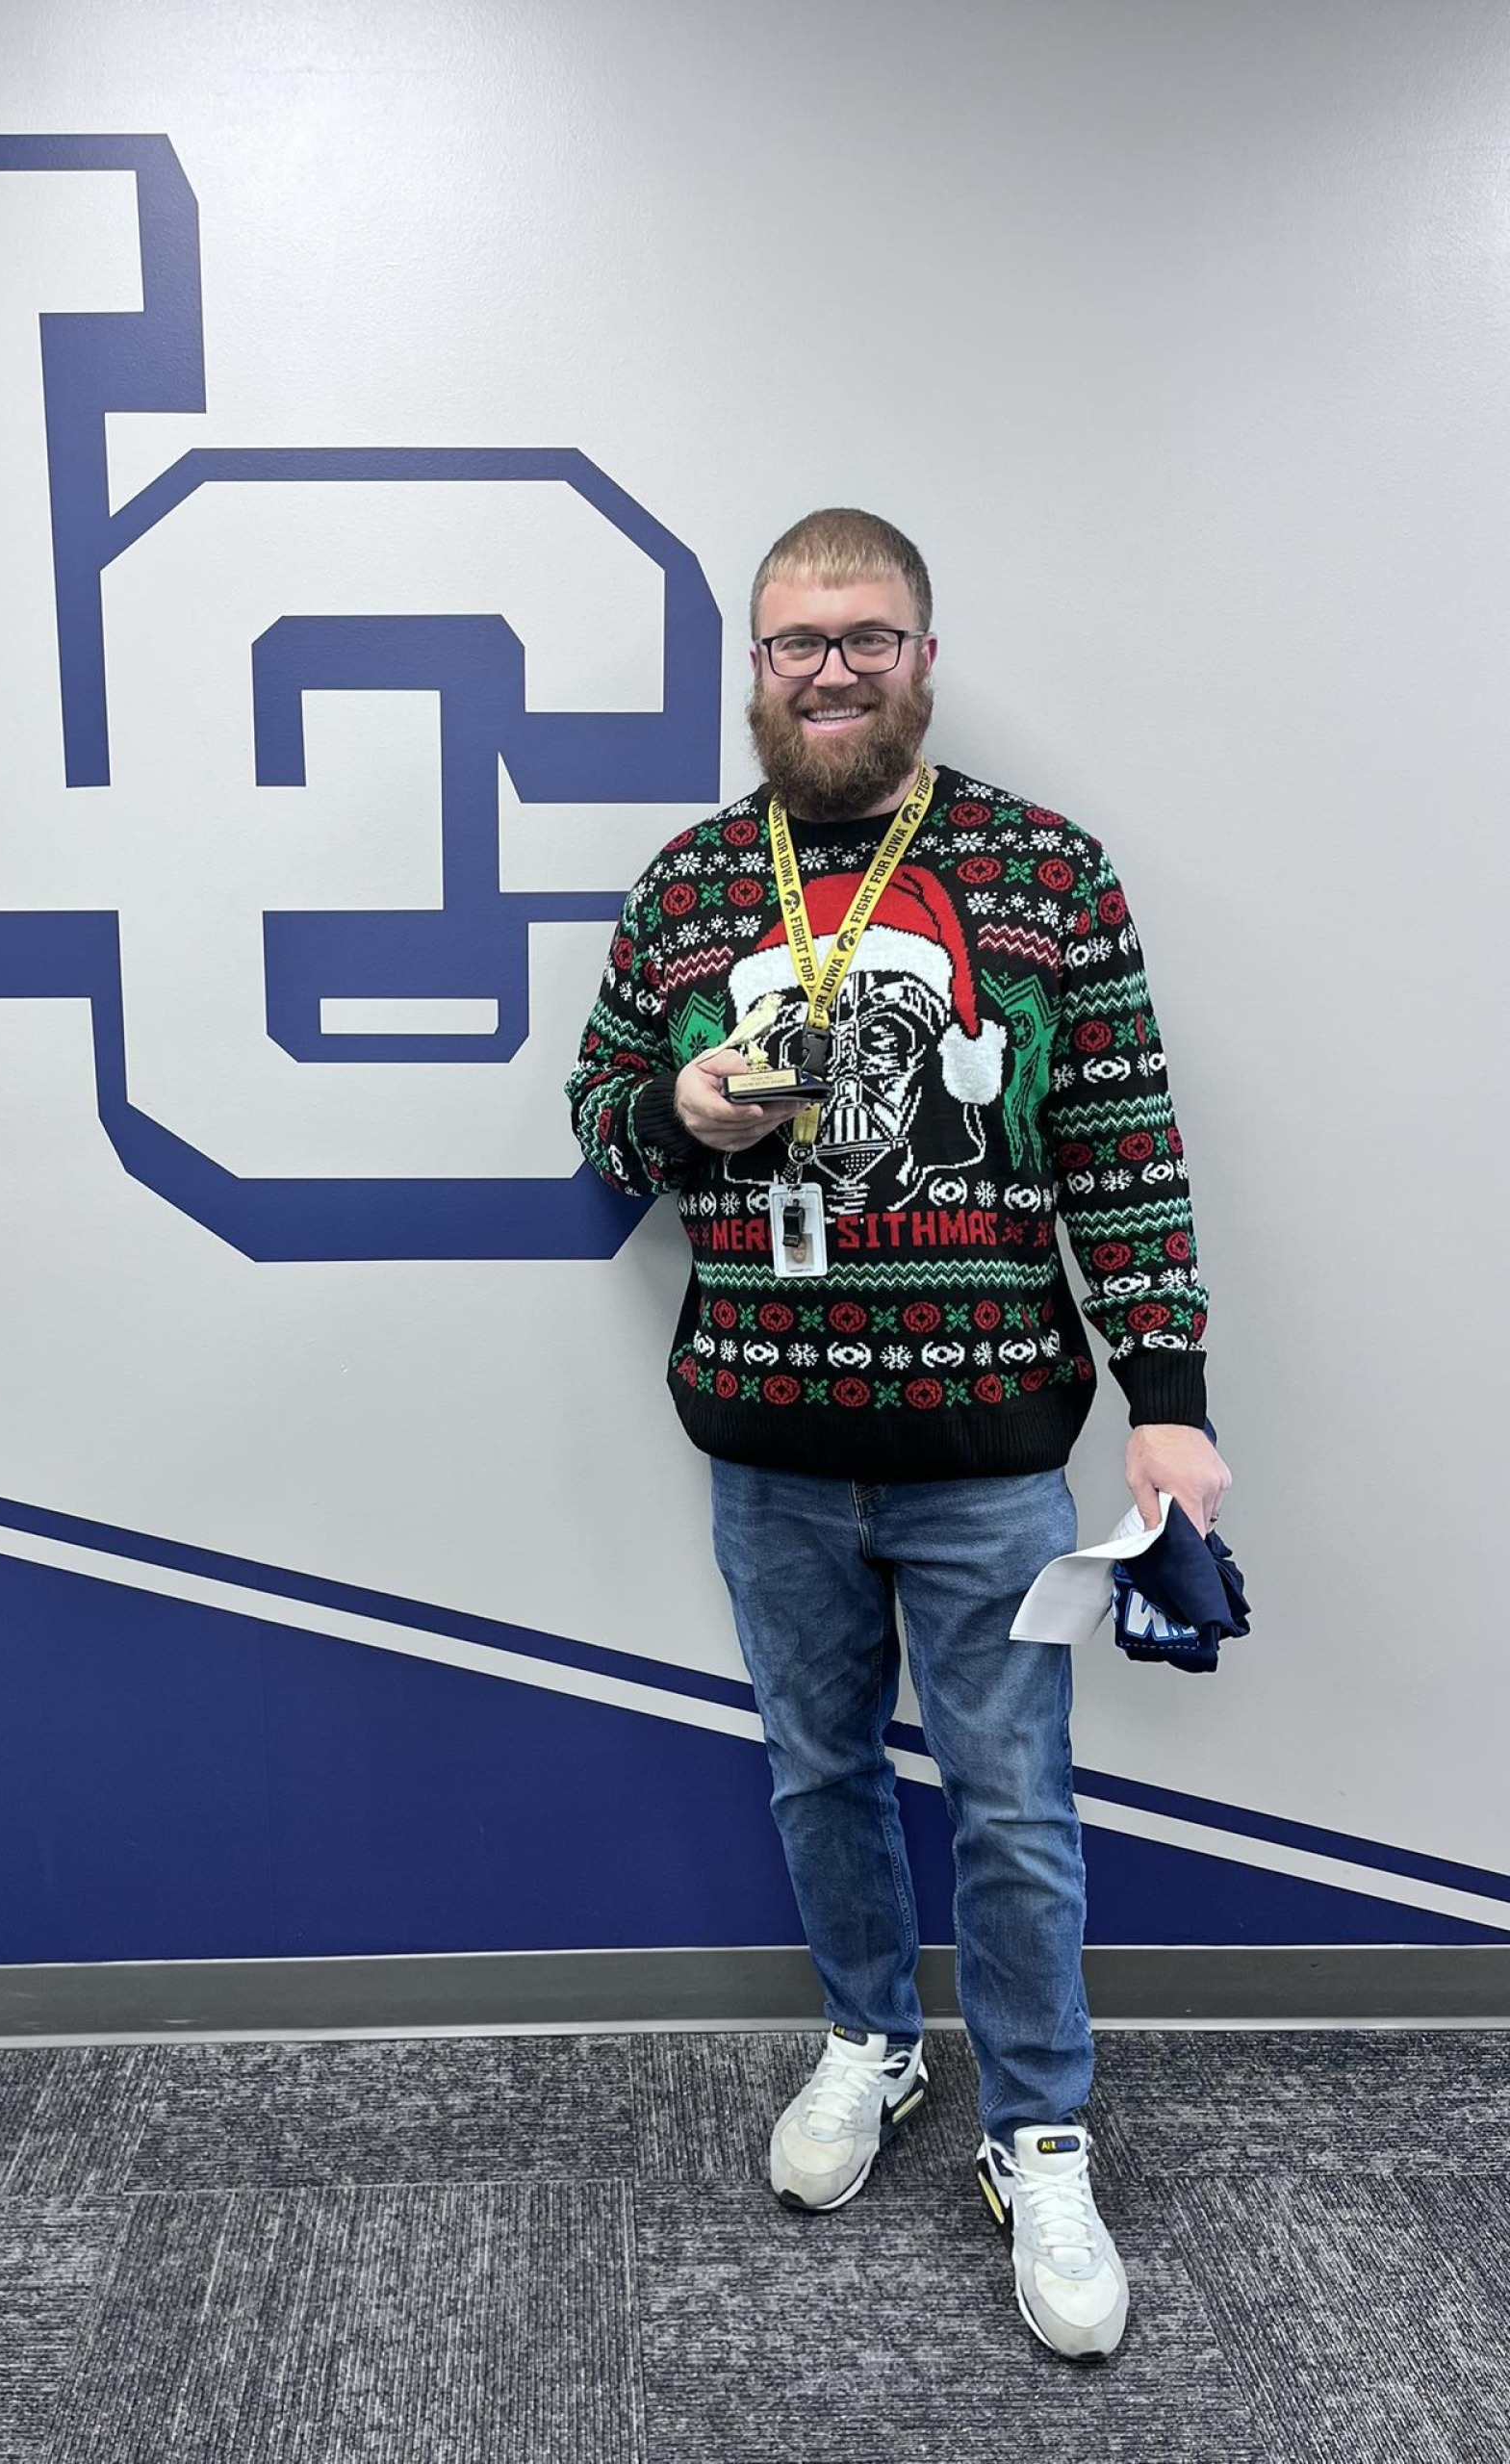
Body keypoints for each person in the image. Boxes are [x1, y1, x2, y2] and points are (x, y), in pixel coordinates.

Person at [565, 507, 1229, 2363]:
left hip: (993, 1455)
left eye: (867, 636)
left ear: (924, 656)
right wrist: (681, 1108)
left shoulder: (1039, 873)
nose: (832, 667)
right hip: (767, 1447)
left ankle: (1039, 2128)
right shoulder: (695, 886)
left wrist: (1166, 1411)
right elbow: (597, 1125)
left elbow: (1123, 1148)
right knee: (817, 1772)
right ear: (756, 667)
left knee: (1015, 1806)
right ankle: (872, 2037)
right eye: (797, 641)